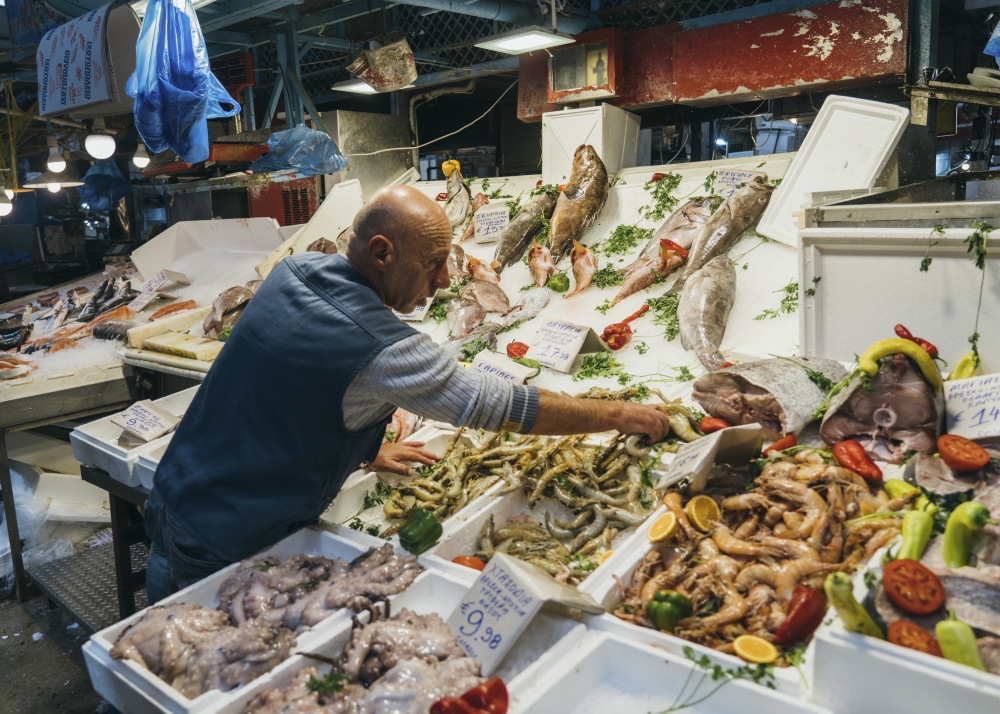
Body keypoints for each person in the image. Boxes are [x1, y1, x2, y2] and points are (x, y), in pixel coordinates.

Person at [143, 185, 671, 603]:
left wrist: (366, 446)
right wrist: (616, 413)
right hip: (223, 538)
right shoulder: (380, 345)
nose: (444, 280)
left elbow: (286, 383)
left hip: (172, 499)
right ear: (381, 253)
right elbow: (498, 404)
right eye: (434, 262)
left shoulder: (294, 272)